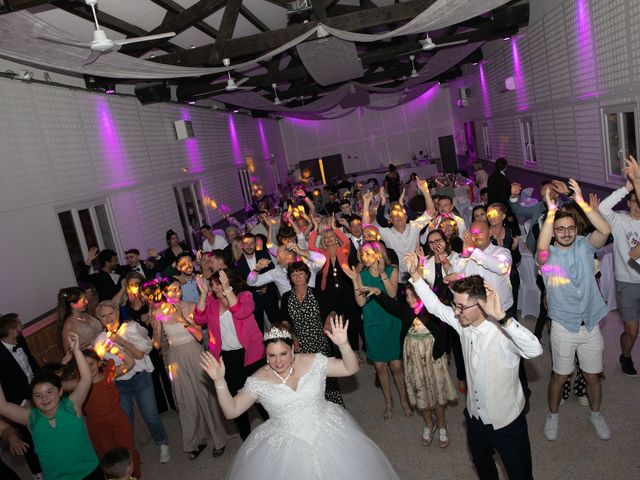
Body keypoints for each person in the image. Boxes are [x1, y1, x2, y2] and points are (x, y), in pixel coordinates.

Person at [200, 319, 401, 480]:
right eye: (271, 356)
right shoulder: (258, 380)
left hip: (326, 429)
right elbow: (232, 411)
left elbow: (350, 368)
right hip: (285, 443)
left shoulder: (314, 362)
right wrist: (219, 381)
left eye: (283, 354)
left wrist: (344, 345)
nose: (277, 361)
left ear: (293, 350)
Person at [405, 253, 542, 480]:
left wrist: (502, 316)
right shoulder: (463, 325)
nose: (456, 312)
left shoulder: (504, 333)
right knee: (483, 467)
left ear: (481, 305)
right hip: (475, 419)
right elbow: (435, 306)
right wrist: (415, 275)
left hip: (508, 424)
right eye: (455, 306)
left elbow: (535, 350)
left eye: (460, 307)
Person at [537, 179, 613, 441]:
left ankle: (595, 413)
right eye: (560, 229)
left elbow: (604, 228)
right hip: (563, 326)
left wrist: (580, 202)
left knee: (593, 377)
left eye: (570, 228)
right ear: (553, 231)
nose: (566, 232)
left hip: (591, 324)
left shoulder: (585, 244)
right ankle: (552, 414)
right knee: (560, 376)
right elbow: (542, 246)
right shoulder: (547, 258)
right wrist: (550, 212)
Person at [0, 332, 103, 480]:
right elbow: (2, 406)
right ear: (33, 399)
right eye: (38, 395)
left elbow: (86, 379)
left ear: (60, 391)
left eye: (49, 391)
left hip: (89, 471)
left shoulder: (72, 405)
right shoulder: (30, 417)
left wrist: (76, 351)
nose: (44, 398)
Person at [365, 283, 457, 448]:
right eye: (407, 296)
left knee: (436, 395)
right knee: (421, 392)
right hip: (414, 360)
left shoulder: (432, 312)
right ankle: (429, 424)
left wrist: (439, 353)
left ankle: (443, 425)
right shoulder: (406, 312)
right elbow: (392, 306)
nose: (409, 299)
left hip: (432, 360)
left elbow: (443, 334)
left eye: (413, 295)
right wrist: (379, 293)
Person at [149, 278, 230, 458]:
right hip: (175, 357)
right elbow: (155, 345)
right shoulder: (158, 312)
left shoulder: (191, 306)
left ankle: (218, 439)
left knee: (205, 395)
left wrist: (183, 320)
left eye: (178, 289)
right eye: (171, 290)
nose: (176, 293)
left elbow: (201, 336)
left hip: (194, 351)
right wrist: (154, 329)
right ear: (163, 293)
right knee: (185, 399)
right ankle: (195, 441)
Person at [194, 269, 268, 440]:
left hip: (251, 354)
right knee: (235, 399)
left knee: (260, 396)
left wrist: (228, 290)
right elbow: (198, 319)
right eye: (213, 286)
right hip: (227, 357)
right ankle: (246, 439)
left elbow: (240, 311)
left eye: (218, 284)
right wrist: (204, 295)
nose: (215, 288)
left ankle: (276, 430)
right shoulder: (212, 303)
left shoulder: (245, 296)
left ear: (228, 282)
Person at [95, 299, 172, 463]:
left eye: (111, 314)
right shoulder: (99, 341)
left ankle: (162, 443)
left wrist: (121, 342)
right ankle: (130, 453)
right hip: (119, 383)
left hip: (140, 378)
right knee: (126, 420)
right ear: (99, 320)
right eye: (103, 316)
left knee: (150, 415)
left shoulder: (130, 328)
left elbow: (140, 354)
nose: (108, 319)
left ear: (117, 313)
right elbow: (99, 366)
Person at [345, 241, 412, 419]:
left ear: (378, 253)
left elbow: (391, 295)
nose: (363, 257)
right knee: (381, 367)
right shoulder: (361, 275)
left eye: (368, 253)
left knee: (397, 366)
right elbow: (360, 303)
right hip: (372, 323)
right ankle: (389, 402)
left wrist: (382, 273)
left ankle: (404, 400)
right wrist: (354, 280)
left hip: (392, 321)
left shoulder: (392, 270)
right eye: (362, 254)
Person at [279, 261, 344, 405]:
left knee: (326, 379)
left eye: (300, 274)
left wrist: (330, 316)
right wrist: (291, 336)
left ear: (307, 275)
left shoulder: (318, 294)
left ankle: (335, 407)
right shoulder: (286, 297)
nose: (297, 277)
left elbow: (335, 309)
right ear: (290, 278)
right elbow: (284, 321)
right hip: (299, 346)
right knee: (305, 382)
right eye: (293, 275)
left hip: (319, 342)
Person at [598, 156, 640, 376]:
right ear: (629, 202)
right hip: (627, 283)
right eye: (633, 201)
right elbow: (604, 208)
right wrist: (627, 187)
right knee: (632, 331)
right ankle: (625, 356)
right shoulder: (620, 221)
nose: (637, 206)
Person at [81, 349, 141, 479]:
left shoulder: (108, 376)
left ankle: (134, 476)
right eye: (84, 365)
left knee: (128, 449)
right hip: (97, 426)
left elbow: (130, 363)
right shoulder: (81, 385)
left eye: (91, 364)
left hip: (117, 420)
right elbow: (61, 385)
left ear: (98, 363)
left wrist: (114, 349)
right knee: (107, 457)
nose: (88, 368)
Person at [0, 313, 43, 479]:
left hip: (35, 390)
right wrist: (24, 402)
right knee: (28, 437)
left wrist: (40, 381)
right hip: (17, 402)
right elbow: (5, 388)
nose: (21, 326)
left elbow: (30, 362)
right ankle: (37, 472)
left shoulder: (20, 340)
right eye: (18, 324)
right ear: (11, 331)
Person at [57, 287, 103, 351]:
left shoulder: (85, 314)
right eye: (83, 300)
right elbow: (68, 352)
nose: (86, 302)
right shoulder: (69, 324)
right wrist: (91, 341)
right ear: (73, 305)